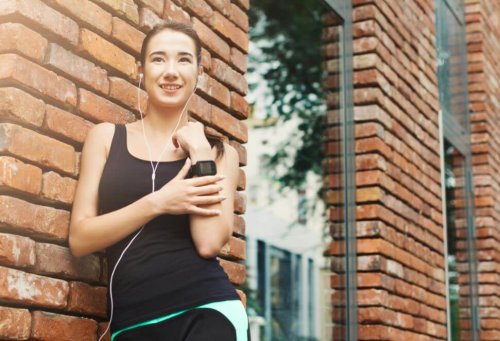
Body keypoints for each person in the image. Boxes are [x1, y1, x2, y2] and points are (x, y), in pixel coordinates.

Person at [69, 20, 250, 341]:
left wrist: (200, 152)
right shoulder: (107, 138)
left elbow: (209, 242)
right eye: (158, 59)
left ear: (199, 73)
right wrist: (159, 202)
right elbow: (81, 239)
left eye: (183, 59)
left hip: (207, 311)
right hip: (132, 323)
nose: (170, 71)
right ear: (141, 69)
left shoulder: (219, 154)